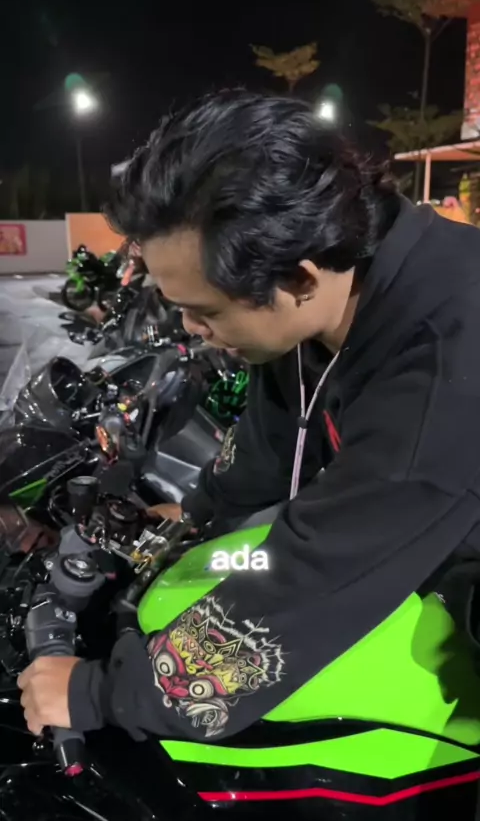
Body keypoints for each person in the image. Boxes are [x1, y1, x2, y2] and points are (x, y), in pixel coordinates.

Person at [18, 90, 480, 742]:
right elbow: (272, 444)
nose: (191, 328)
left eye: (205, 311)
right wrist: (195, 515)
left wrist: (97, 694)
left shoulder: (445, 364)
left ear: (300, 280)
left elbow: (315, 581)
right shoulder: (337, 292)